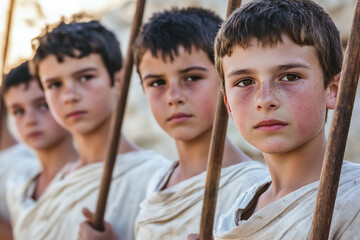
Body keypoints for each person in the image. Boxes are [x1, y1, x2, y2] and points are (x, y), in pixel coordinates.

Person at [211, 0, 360, 239]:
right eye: (245, 82)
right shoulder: (233, 216)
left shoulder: (353, 201)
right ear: (228, 104)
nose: (265, 99)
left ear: (333, 90)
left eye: (289, 76)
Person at [18, 16, 168, 240]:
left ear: (117, 81)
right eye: (55, 85)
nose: (70, 96)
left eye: (85, 77)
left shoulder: (154, 177)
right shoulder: (58, 183)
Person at [129, 7, 267, 240]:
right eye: (156, 83)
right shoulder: (160, 179)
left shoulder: (252, 187)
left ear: (225, 80)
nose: (174, 96)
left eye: (192, 78)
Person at [0, 61, 78, 240]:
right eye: (18, 111)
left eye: (43, 105)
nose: (30, 120)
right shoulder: (20, 186)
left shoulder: (90, 180)